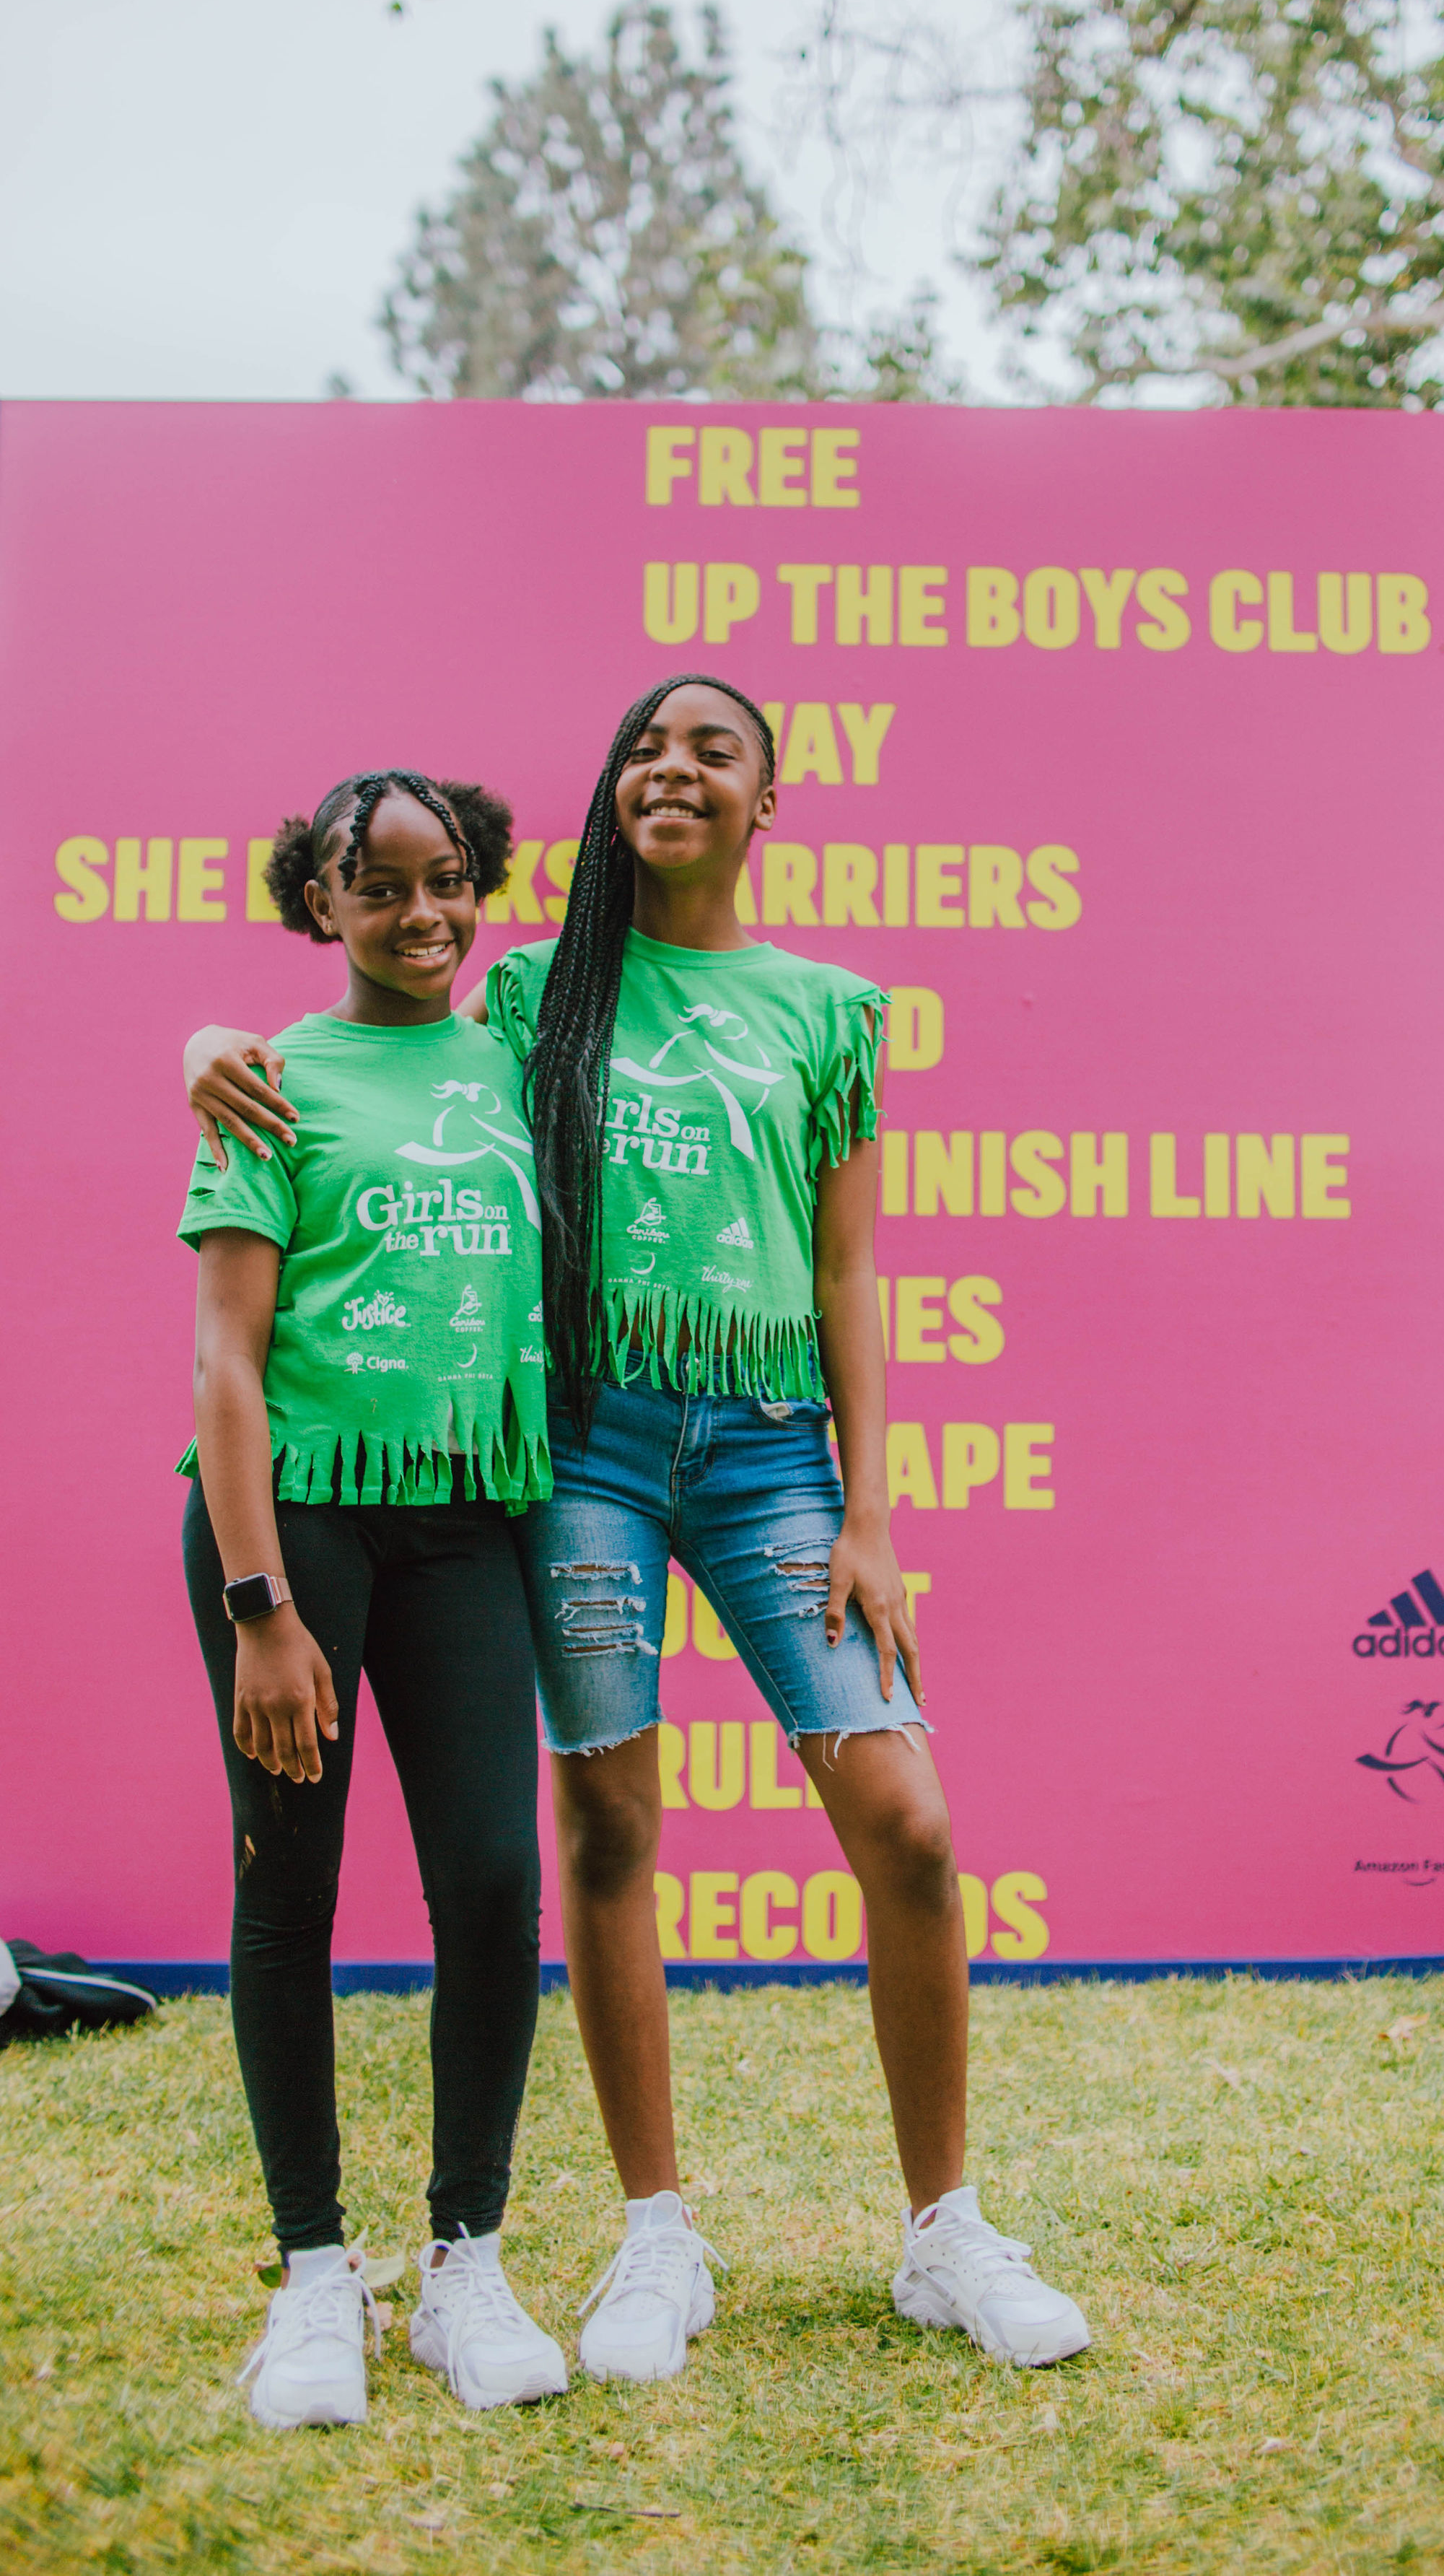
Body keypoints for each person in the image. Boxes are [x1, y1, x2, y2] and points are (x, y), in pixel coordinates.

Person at [185, 681, 1091, 2383]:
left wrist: (871, 1507)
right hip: (586, 1448)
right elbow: (367, 1030)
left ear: (768, 802)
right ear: (606, 797)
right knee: (605, 1821)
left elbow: (844, 1272)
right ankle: (651, 2237)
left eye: (713, 751)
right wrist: (197, 1049)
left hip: (768, 1458)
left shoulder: (830, 1009)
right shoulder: (534, 989)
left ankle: (940, 2231)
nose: (671, 769)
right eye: (641, 750)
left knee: (900, 1816)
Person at [180, 769, 567, 2429]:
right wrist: (263, 1603)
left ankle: (462, 2259)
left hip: (465, 1523)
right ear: (319, 904)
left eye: (449, 880)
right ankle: (313, 2274)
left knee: (489, 1876)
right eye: (382, 887)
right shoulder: (270, 1081)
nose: (424, 915)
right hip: (299, 1538)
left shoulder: (524, 1061)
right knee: (294, 1887)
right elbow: (225, 1366)